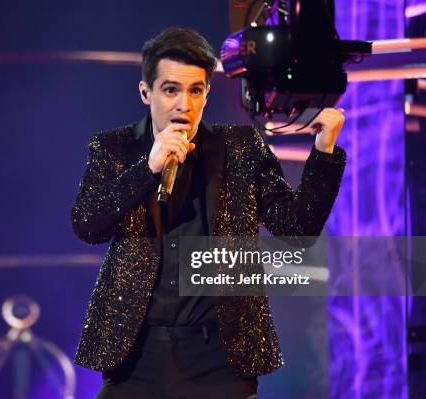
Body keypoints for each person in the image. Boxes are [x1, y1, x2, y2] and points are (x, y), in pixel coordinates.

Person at [71, 27, 346, 399]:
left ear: (206, 93)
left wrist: (324, 150)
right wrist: (147, 169)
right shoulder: (115, 147)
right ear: (145, 92)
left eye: (195, 90)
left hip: (217, 355)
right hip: (137, 354)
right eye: (171, 90)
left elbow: (297, 226)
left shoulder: (240, 147)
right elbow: (88, 223)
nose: (184, 104)